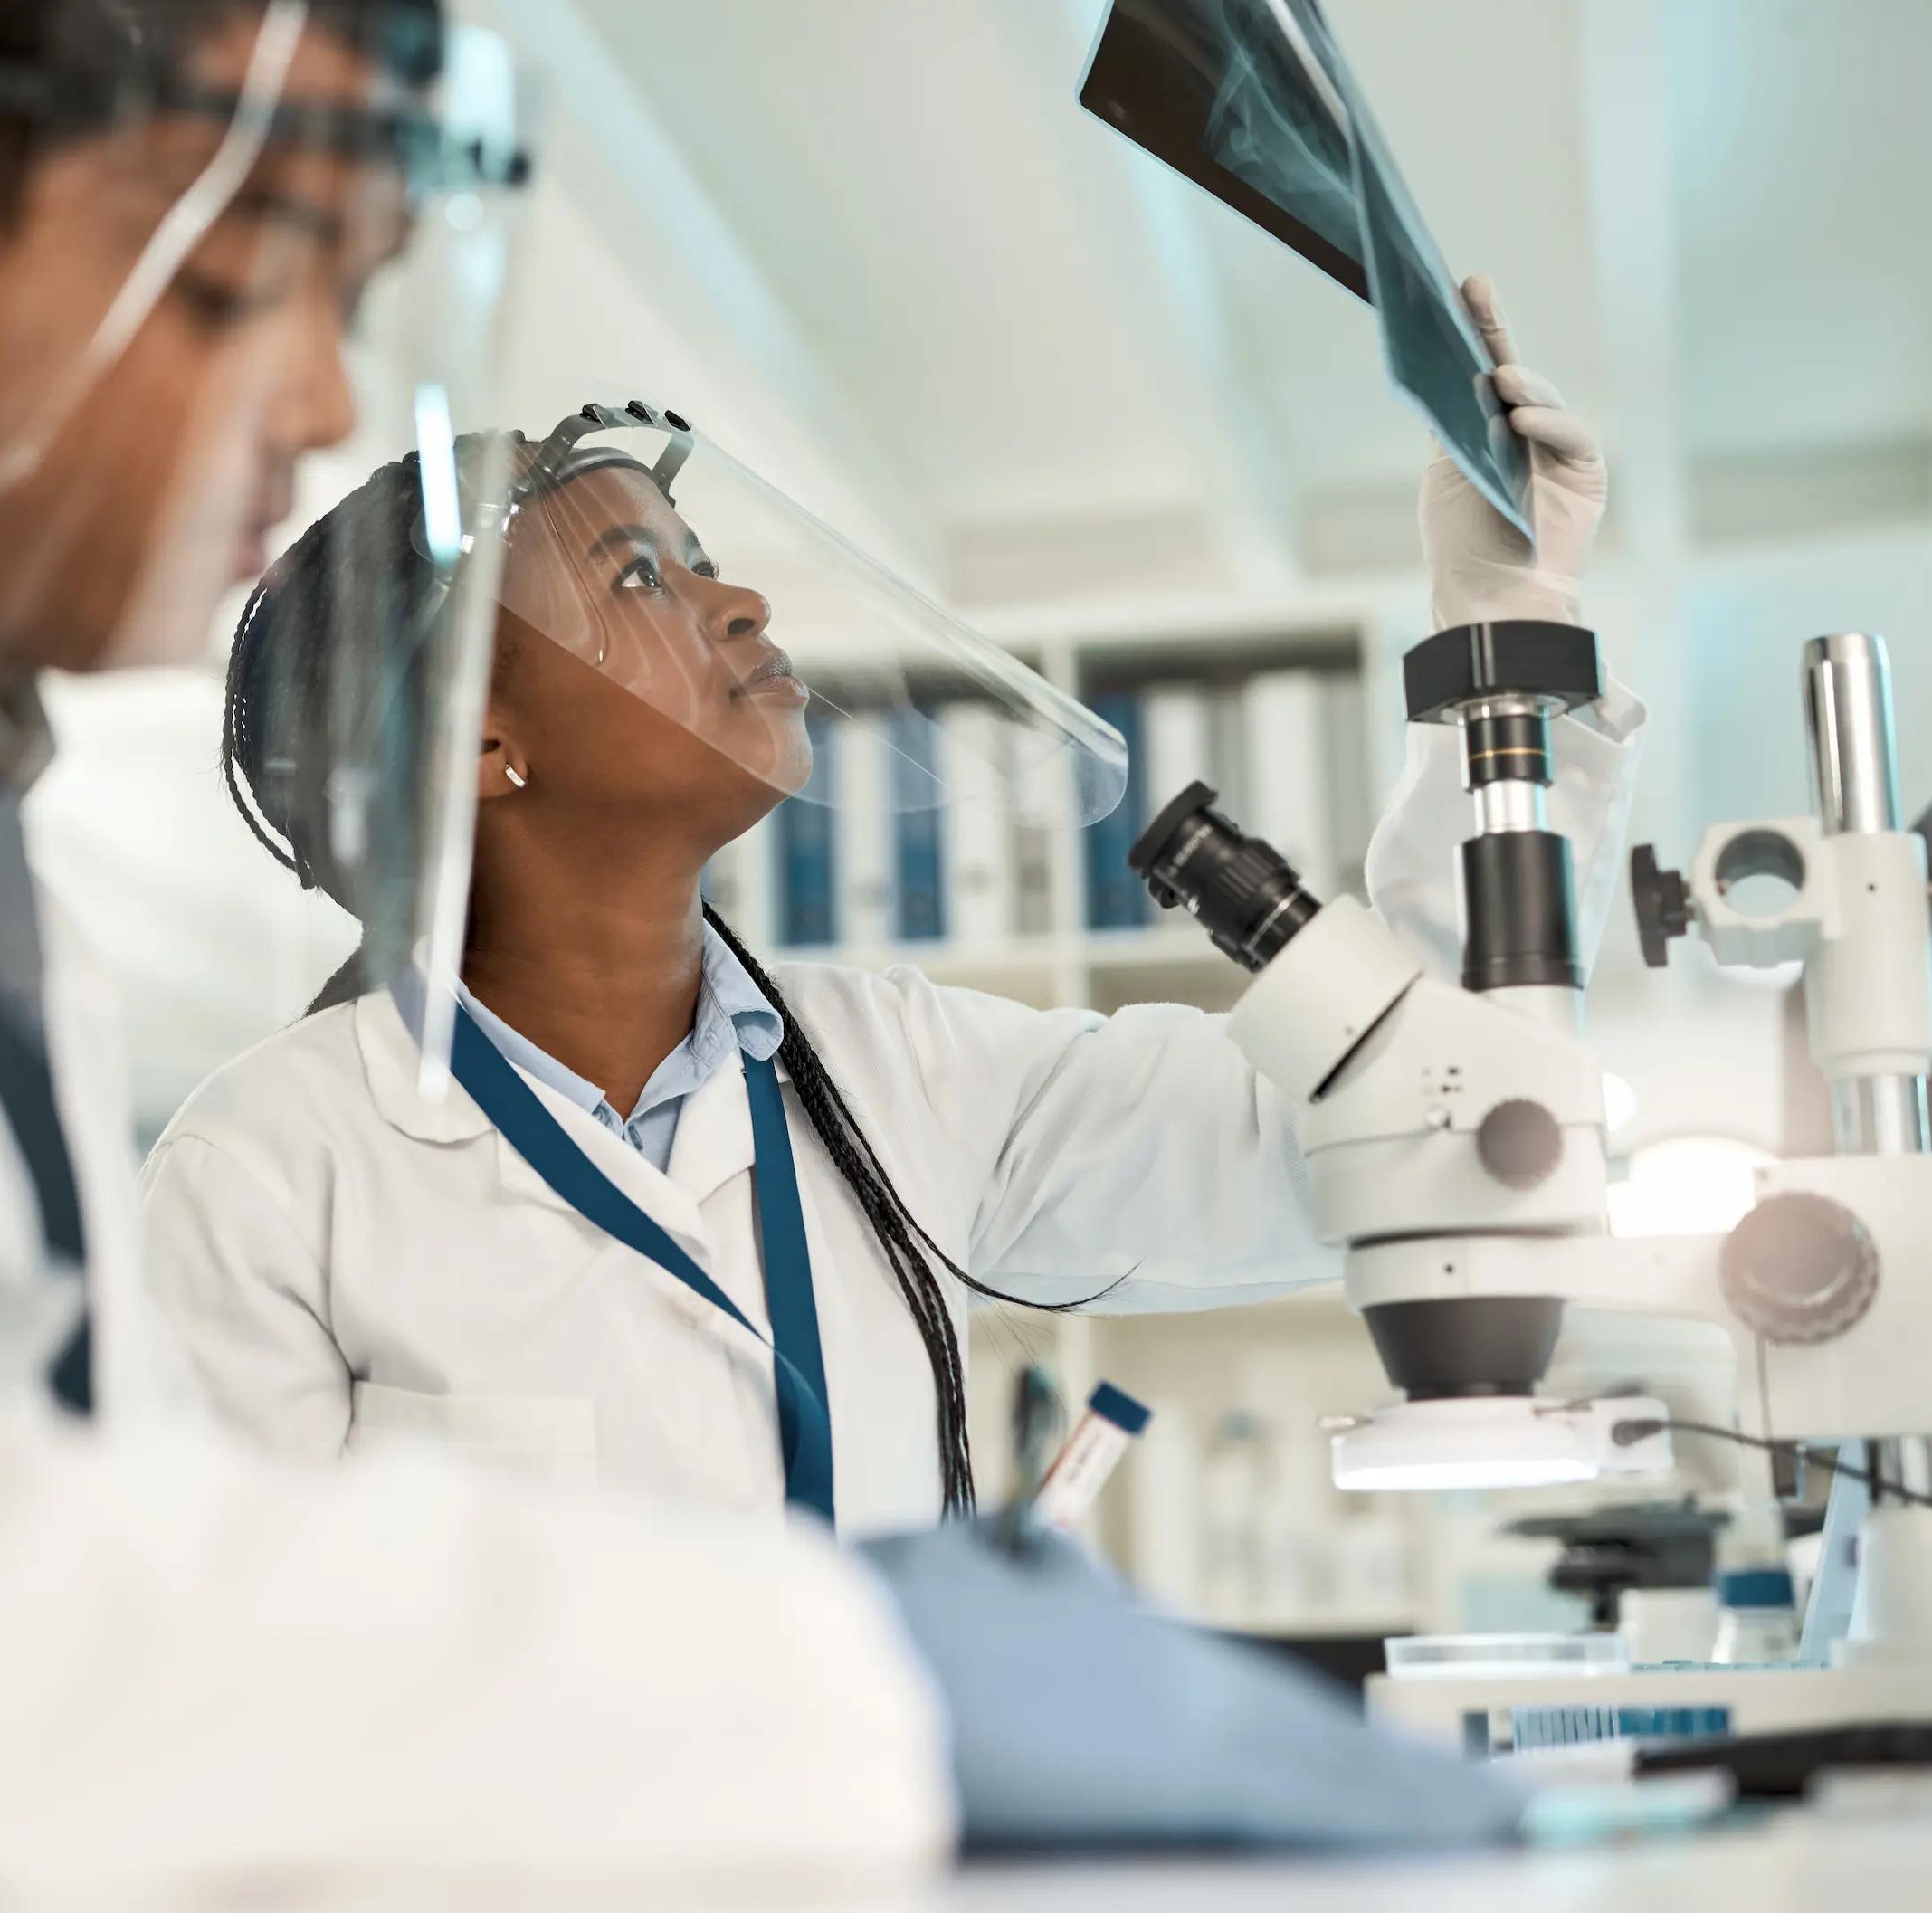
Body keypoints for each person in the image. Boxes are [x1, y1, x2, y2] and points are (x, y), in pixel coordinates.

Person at [0, 0, 1528, 1893]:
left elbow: (1395, 1118)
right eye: (256, 260)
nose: (337, 399)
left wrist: (1510, 663)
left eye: (357, 292)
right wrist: (838, 1683)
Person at [141, 293, 1637, 1537]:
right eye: (643, 578)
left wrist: (1502, 637)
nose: (745, 613)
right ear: (481, 742)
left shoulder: (906, 1081)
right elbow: (239, 1701)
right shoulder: (271, 1166)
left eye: (711, 566)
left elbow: (1425, 1116)